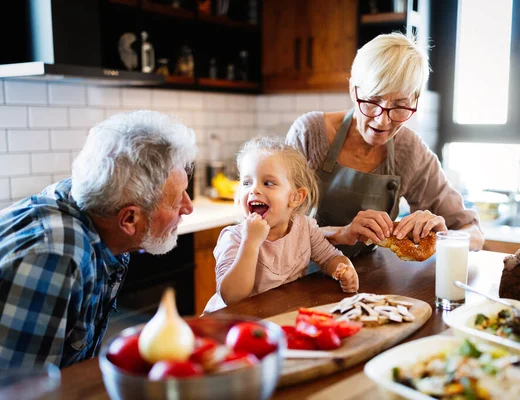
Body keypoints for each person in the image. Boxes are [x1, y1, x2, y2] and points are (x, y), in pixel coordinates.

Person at [0, 110, 196, 368]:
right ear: (129, 220)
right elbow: (23, 391)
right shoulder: (55, 257)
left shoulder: (94, 209)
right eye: (176, 199)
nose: (188, 206)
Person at [286, 32, 484, 257]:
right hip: (303, 274)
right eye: (372, 101)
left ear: (415, 100)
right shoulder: (310, 133)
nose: (383, 121)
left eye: (400, 106)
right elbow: (275, 228)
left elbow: (474, 232)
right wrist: (342, 233)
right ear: (353, 90)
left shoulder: (409, 150)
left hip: (371, 280)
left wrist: (442, 236)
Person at [203, 136, 359, 313]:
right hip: (234, 324)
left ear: (295, 197)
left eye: (268, 183)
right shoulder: (235, 237)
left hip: (278, 315)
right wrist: (250, 243)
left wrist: (344, 269)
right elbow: (231, 297)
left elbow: (330, 258)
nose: (254, 189)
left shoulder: (304, 228)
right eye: (247, 182)